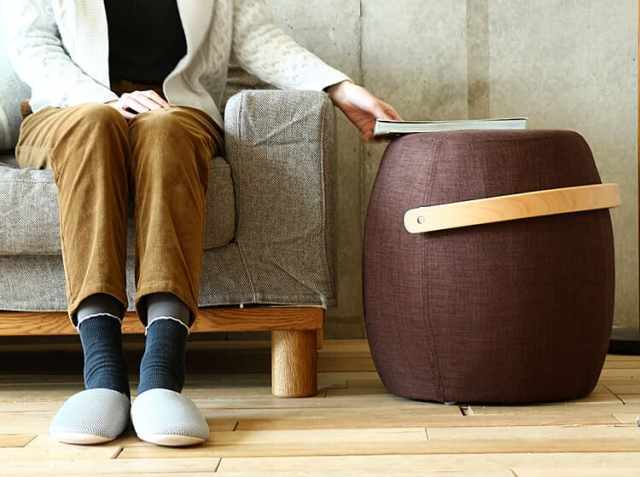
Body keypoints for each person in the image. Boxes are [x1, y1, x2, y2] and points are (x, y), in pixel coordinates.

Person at [5, 0, 402, 448]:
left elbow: (256, 37)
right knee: (96, 123)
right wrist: (107, 100)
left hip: (174, 111)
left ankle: (162, 376)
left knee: (165, 130)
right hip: (67, 109)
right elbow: (32, 45)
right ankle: (101, 376)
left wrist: (340, 87)